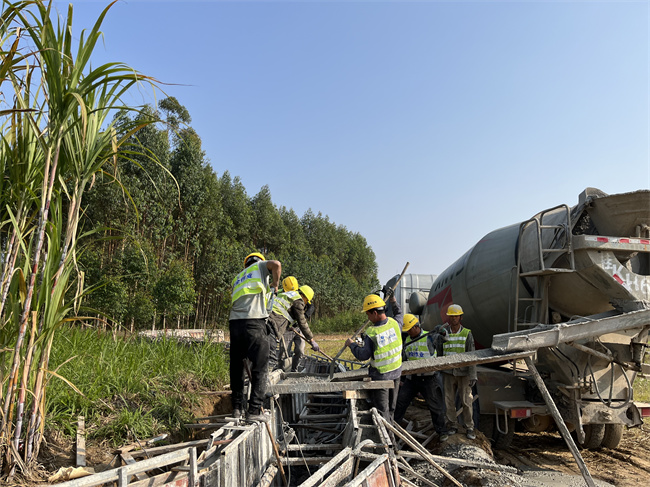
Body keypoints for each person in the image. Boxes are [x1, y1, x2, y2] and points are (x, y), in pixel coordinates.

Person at [229, 252, 281, 423]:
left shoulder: (238, 277)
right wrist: (275, 282)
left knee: (237, 367)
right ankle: (253, 411)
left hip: (235, 323)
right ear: (259, 261)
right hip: (253, 322)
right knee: (260, 364)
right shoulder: (259, 268)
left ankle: (236, 409)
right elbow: (277, 265)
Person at [345, 289, 403, 424]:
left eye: (368, 314)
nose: (368, 318)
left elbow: (363, 355)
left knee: (383, 412)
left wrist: (351, 345)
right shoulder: (395, 324)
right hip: (396, 374)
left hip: (381, 378)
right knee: (391, 409)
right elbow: (399, 313)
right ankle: (392, 436)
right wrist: (393, 299)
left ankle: (389, 444)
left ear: (375, 313)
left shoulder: (372, 332)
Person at [394, 314, 445, 436]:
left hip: (429, 378)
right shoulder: (407, 340)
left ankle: (442, 432)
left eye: (410, 330)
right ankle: (393, 428)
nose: (409, 332)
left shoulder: (430, 337)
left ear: (416, 327)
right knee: (401, 402)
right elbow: (404, 359)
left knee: (435, 406)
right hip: (412, 379)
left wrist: (442, 331)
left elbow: (445, 339)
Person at [438, 304, 477, 441]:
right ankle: (452, 425)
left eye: (456, 316)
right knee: (449, 401)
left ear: (460, 317)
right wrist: (440, 369)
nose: (454, 318)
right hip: (448, 373)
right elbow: (439, 352)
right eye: (451, 316)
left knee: (466, 401)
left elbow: (471, 355)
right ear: (449, 317)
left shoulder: (467, 333)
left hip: (463, 373)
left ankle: (469, 427)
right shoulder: (443, 332)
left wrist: (473, 375)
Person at [268, 279, 319, 371]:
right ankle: (271, 377)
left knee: (299, 350)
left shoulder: (287, 294)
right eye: (306, 301)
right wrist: (311, 340)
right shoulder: (298, 301)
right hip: (274, 325)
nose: (305, 303)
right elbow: (302, 322)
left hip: (266, 320)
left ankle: (293, 370)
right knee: (272, 355)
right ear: (305, 297)